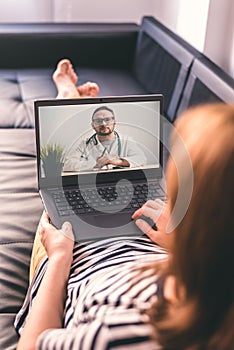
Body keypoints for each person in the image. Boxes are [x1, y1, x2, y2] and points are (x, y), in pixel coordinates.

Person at [15, 60, 234, 350]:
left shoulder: (116, 334)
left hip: (77, 258)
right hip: (160, 244)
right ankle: (70, 99)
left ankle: (68, 97)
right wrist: (180, 247)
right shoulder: (212, 287)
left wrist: (58, 259)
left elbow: (32, 346)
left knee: (54, 211)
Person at [63, 105, 147, 171]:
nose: (103, 124)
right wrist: (96, 163)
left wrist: (117, 161)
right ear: (93, 125)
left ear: (114, 122)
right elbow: (67, 165)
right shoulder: (85, 144)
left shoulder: (126, 141)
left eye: (107, 119)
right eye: (98, 121)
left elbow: (141, 158)